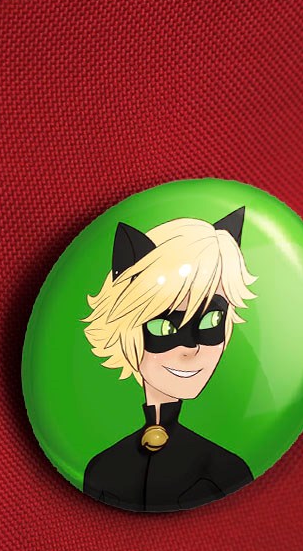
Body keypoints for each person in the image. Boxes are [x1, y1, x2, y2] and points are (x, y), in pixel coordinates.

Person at [82, 208, 257, 511]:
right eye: (164, 327)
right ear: (127, 330)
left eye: (211, 321)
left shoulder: (223, 470)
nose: (191, 348)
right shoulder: (102, 470)